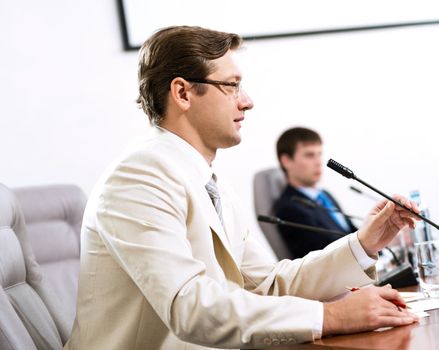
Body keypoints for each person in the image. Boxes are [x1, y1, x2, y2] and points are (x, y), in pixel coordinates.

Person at [65, 26, 419, 350]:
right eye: (231, 85)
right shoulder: (138, 179)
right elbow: (189, 306)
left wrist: (364, 243)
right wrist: (334, 317)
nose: (246, 100)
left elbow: (269, 284)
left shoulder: (205, 178)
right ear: (183, 92)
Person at [274, 127, 358, 258]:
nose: (318, 162)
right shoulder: (288, 209)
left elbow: (352, 233)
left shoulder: (325, 195)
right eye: (309, 155)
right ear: (286, 161)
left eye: (319, 154)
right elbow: (327, 253)